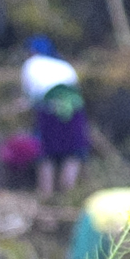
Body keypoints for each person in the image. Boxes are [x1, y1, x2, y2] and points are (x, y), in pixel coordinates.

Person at [20, 35, 91, 195]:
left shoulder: (31, 64)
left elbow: (31, 95)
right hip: (74, 110)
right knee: (74, 152)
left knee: (45, 154)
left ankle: (46, 194)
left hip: (48, 109)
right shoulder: (63, 65)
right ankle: (68, 194)